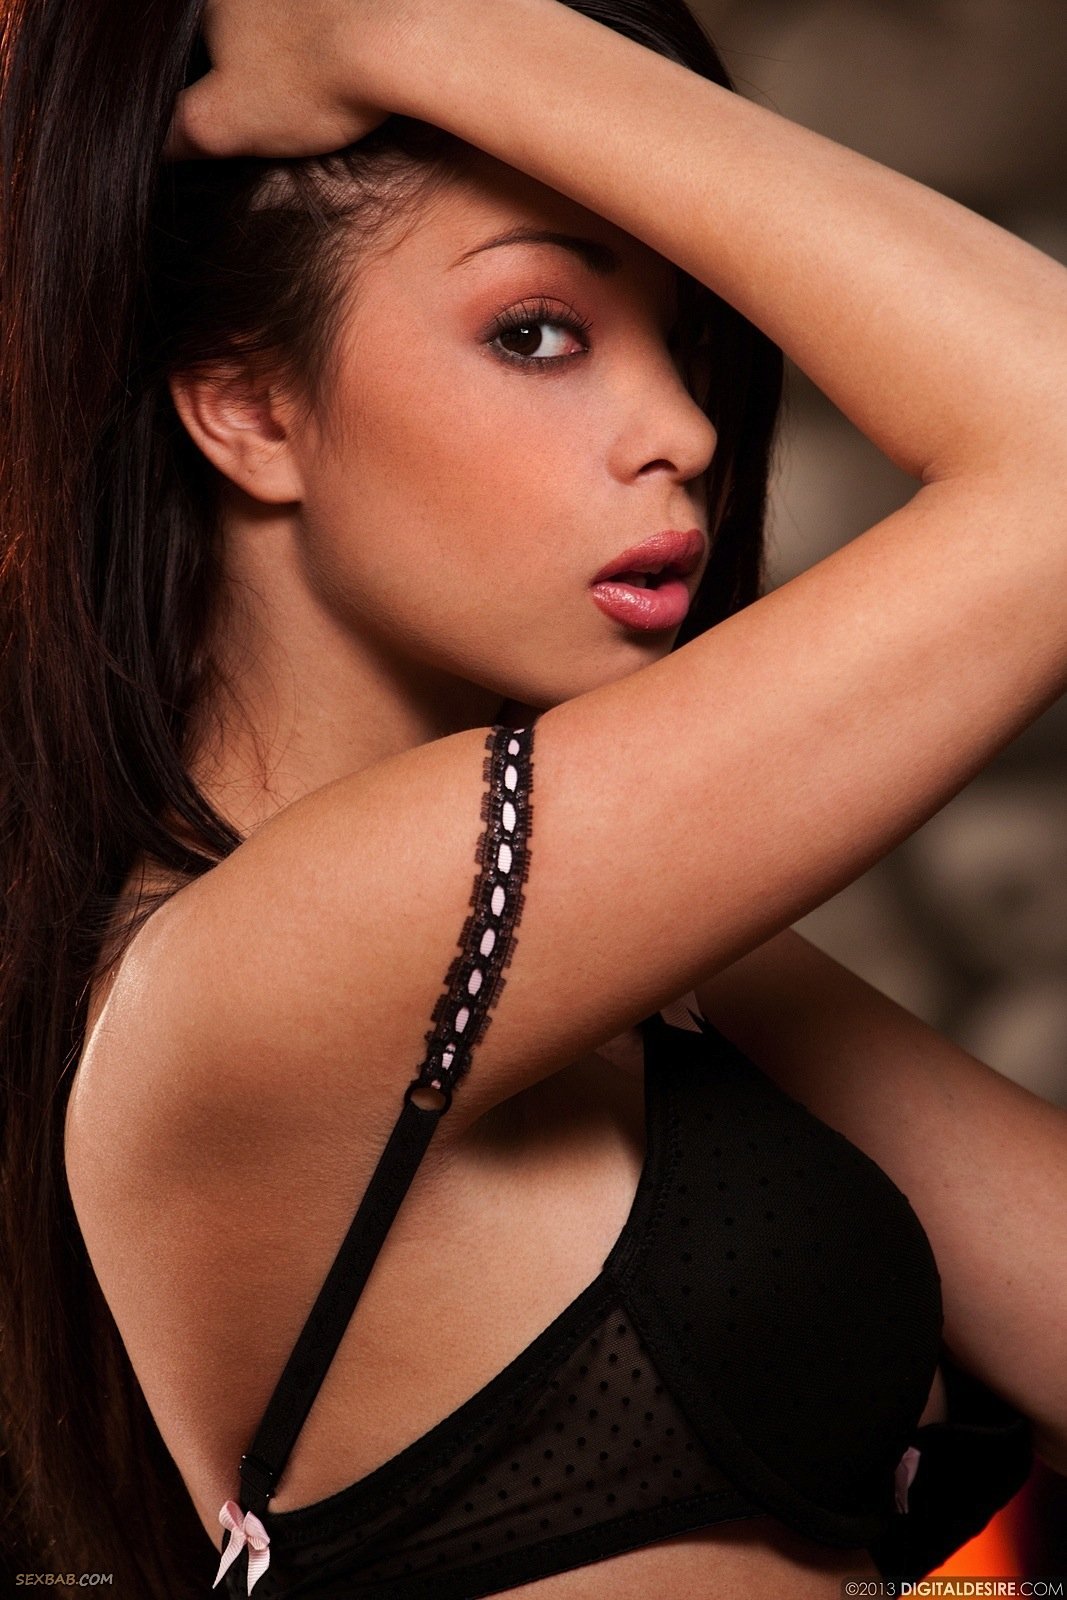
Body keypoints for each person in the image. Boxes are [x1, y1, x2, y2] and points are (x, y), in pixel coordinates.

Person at [1, 0, 1065, 1595]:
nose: (688, 430)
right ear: (247, 405)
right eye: (537, 333)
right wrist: (412, 32)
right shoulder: (265, 977)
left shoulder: (566, 949)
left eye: (686, 341)